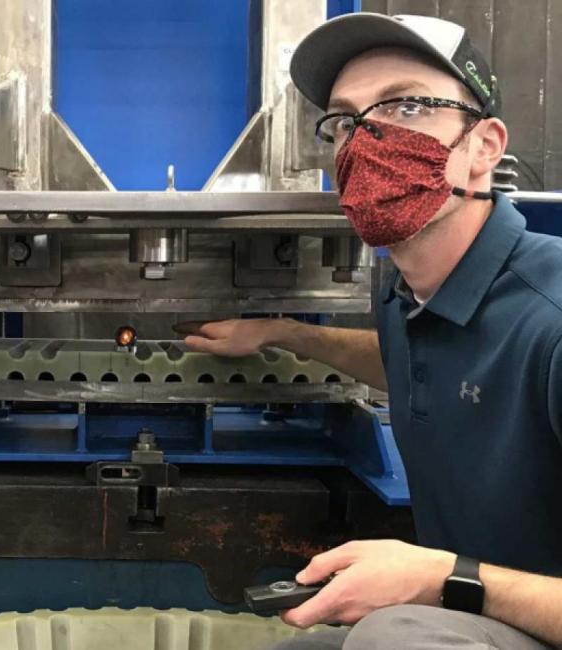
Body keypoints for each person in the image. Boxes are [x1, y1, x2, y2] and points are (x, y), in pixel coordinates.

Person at [176, 13, 562, 649]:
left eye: (407, 106)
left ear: (485, 146)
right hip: (483, 619)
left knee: (394, 637)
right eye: (344, 121)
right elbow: (415, 363)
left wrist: (443, 577)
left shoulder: (551, 320)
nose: (366, 140)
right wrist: (281, 333)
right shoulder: (410, 300)